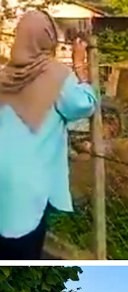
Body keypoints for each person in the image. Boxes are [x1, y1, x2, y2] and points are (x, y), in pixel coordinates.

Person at [0, 12, 96, 260]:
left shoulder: (4, 76)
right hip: (29, 187)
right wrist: (80, 65)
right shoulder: (56, 76)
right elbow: (83, 105)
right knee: (24, 256)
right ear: (49, 38)